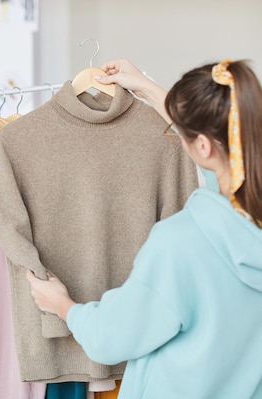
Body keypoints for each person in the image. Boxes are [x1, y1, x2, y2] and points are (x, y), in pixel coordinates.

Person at [26, 59, 262, 398]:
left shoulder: (181, 244)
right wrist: (146, 87)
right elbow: (221, 162)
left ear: (204, 146)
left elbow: (109, 338)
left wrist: (63, 306)